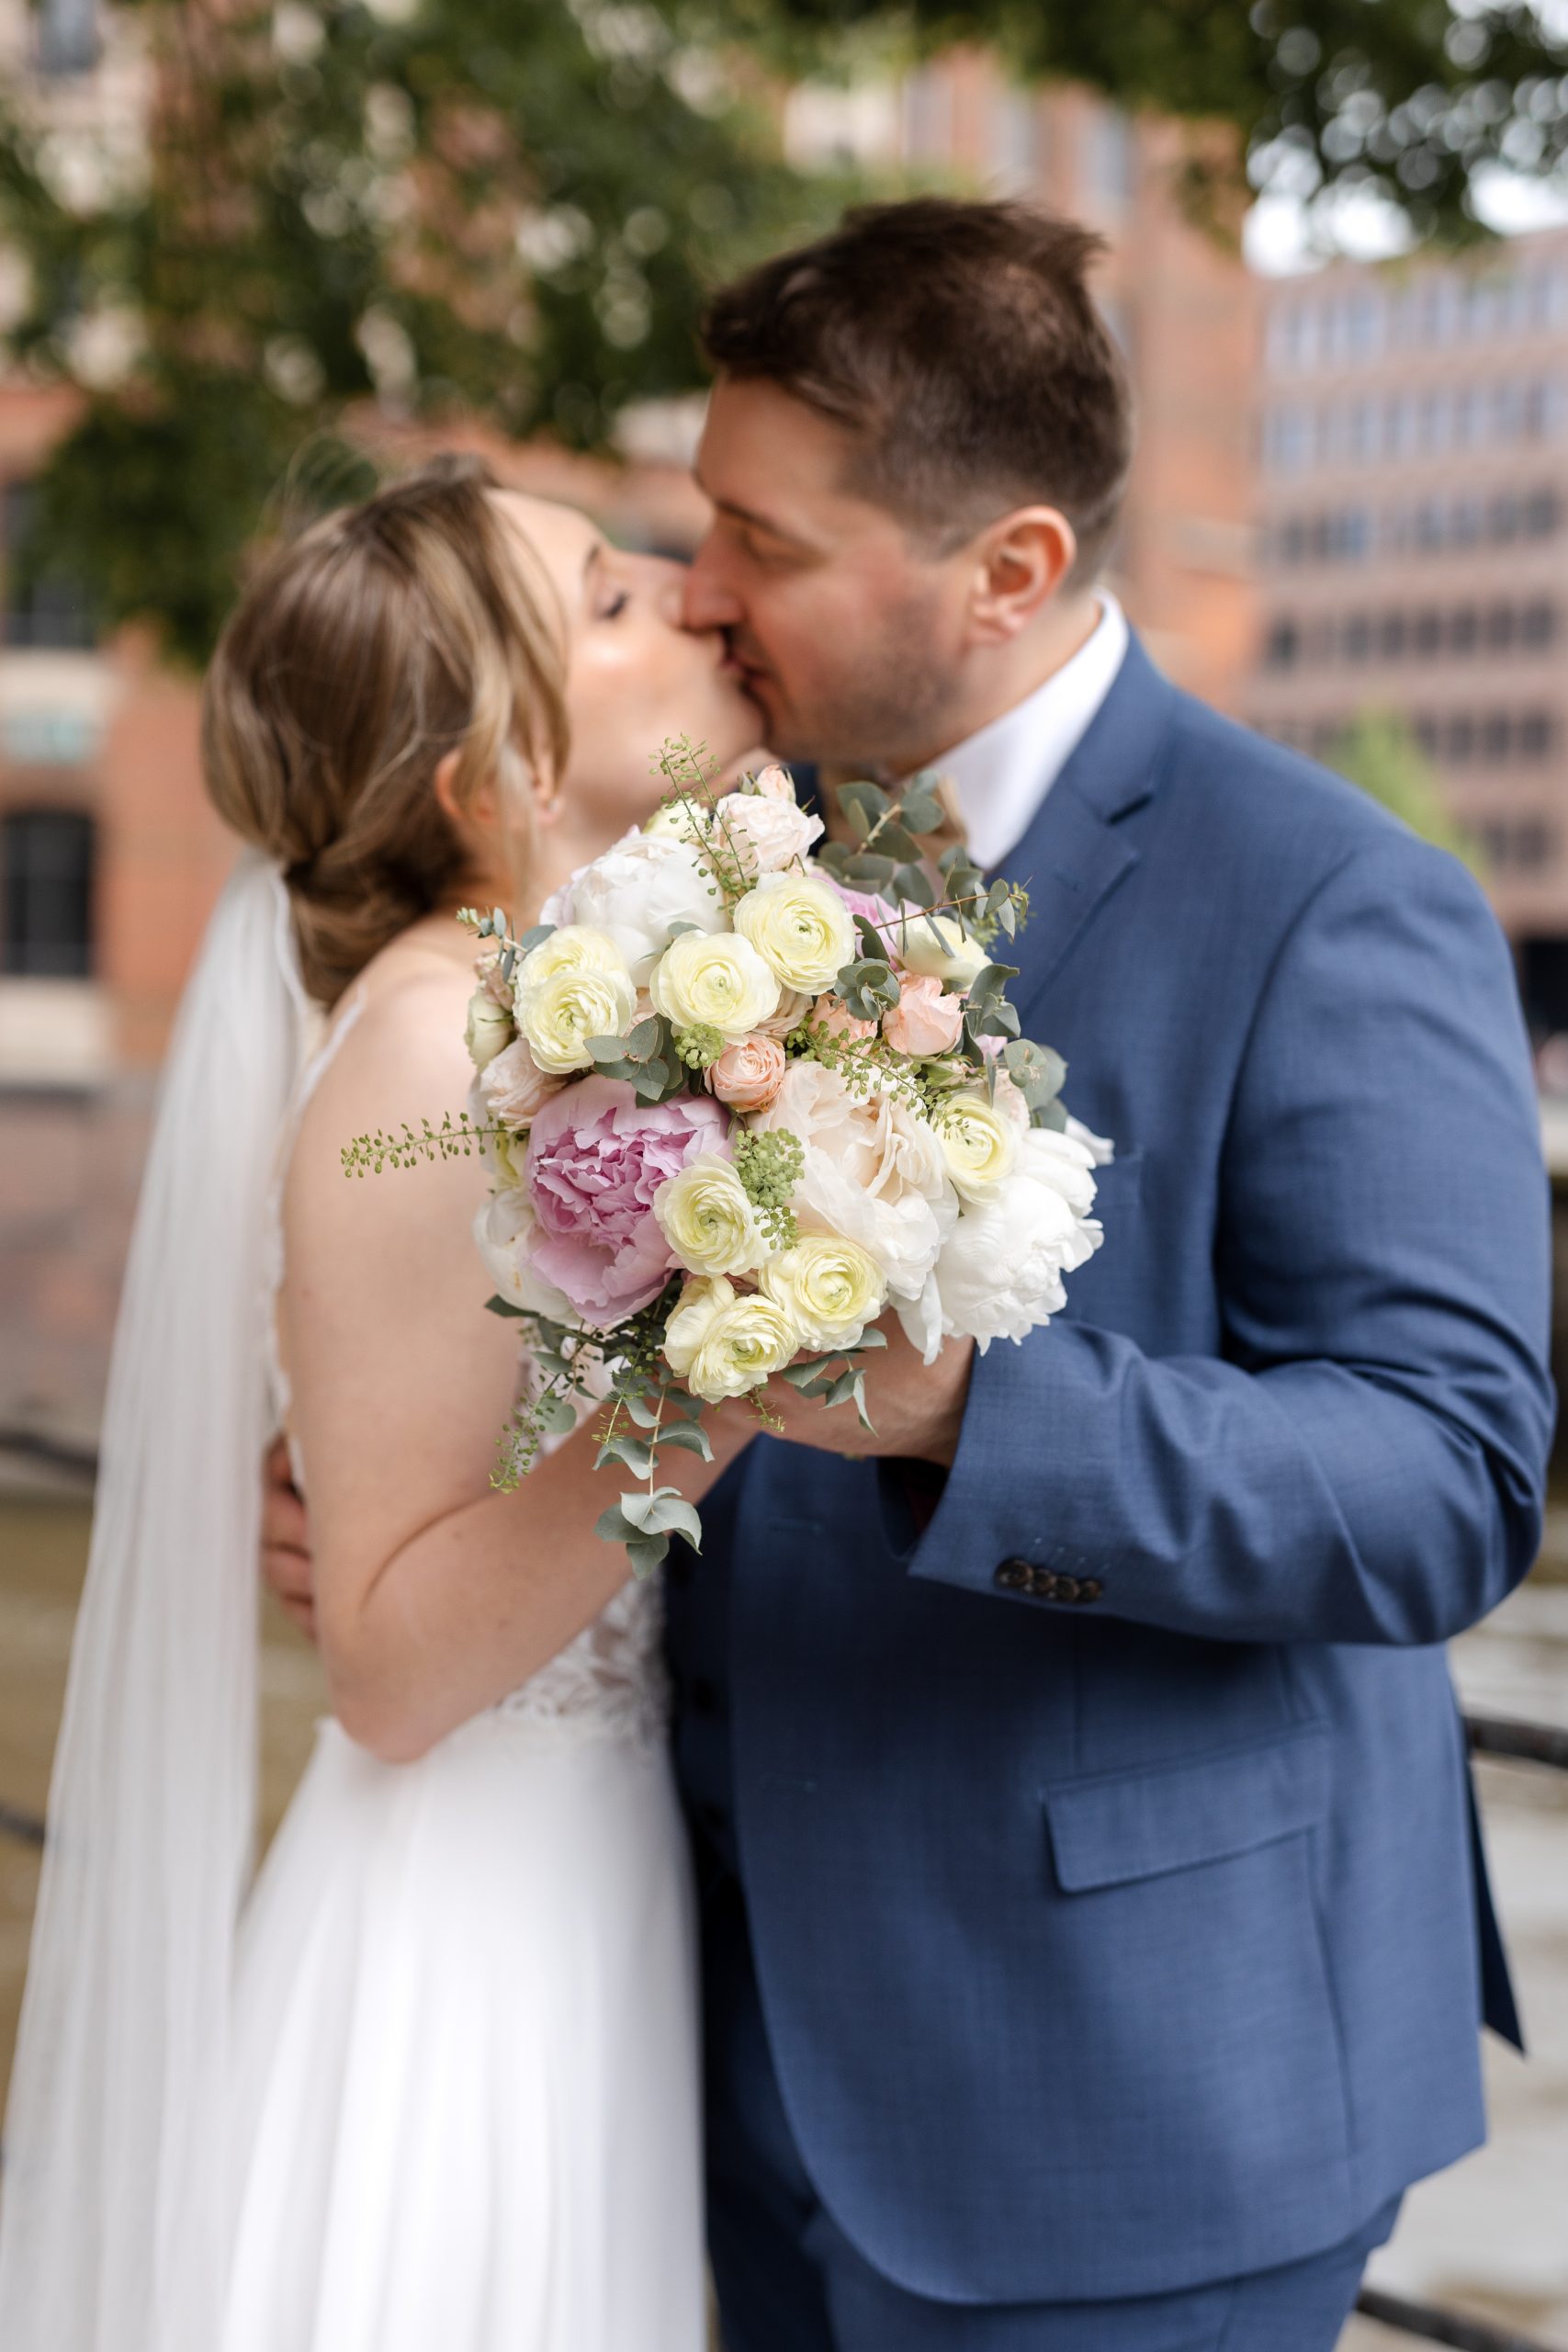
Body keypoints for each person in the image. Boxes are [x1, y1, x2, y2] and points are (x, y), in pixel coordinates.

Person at [264, 201, 1552, 2350]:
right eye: (689, 526)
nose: (694, 590)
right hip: (686, 2046)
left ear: (1009, 571)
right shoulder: (696, 853)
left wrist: (971, 1418)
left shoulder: (1329, 897)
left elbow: (1437, 1483)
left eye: (757, 540)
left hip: (1122, 2086)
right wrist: (393, 1497)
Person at [0, 456, 763, 2351]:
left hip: (583, 1878)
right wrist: (736, 1368)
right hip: (469, 1931)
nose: (678, 588)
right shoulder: (431, 1049)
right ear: (483, 773)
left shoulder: (551, 1005)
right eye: (602, 597)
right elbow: (393, 1666)